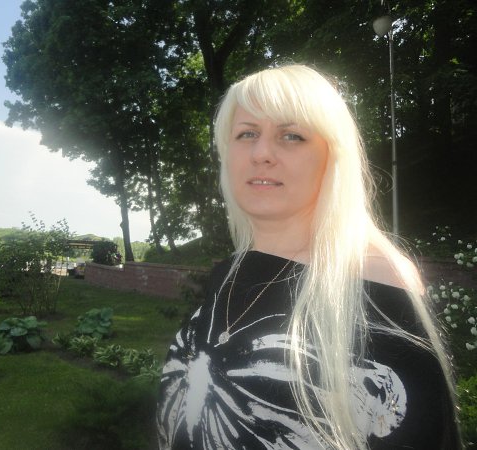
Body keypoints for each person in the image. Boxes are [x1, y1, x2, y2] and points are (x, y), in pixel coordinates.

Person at [156, 65, 460, 450]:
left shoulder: (374, 276)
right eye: (246, 133)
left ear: (332, 157)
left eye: (291, 136)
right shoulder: (229, 272)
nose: (261, 153)